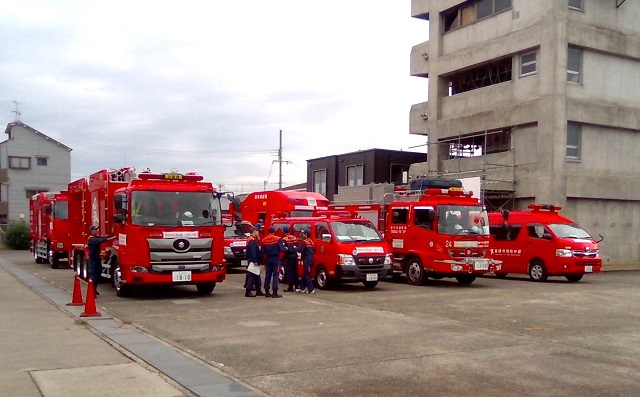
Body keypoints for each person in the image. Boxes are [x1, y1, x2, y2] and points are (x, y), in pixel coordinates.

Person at [87, 225, 115, 296]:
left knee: (99, 274)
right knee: (93, 275)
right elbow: (100, 240)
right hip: (92, 259)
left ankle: (94, 289)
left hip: (97, 259)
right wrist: (110, 239)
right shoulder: (91, 239)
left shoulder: (96, 237)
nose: (97, 231)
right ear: (92, 231)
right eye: (95, 230)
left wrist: (111, 235)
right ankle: (92, 291)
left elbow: (103, 237)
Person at [262, 226, 285, 298]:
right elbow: (282, 249)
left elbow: (262, 252)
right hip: (275, 258)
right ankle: (275, 292)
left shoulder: (264, 240)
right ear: (274, 231)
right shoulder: (278, 239)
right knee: (275, 275)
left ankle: (266, 291)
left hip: (268, 259)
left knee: (268, 275)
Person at [244, 226, 264, 297]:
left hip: (253, 260)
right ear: (254, 231)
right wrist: (255, 261)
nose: (258, 233)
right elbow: (253, 252)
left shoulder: (251, 239)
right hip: (253, 261)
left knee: (256, 276)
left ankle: (258, 290)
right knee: (252, 276)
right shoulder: (252, 241)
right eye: (257, 231)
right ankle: (248, 291)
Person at [296, 228, 315, 294]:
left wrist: (294, 248)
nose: (302, 235)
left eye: (303, 234)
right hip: (311, 259)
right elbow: (314, 250)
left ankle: (311, 289)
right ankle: (302, 288)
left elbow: (299, 249)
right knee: (305, 274)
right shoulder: (311, 242)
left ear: (306, 234)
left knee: (307, 274)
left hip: (307, 260)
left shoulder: (305, 242)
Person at [281, 226, 299, 292]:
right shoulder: (294, 238)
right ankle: (297, 286)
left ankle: (290, 287)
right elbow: (297, 245)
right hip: (295, 256)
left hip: (289, 257)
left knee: (289, 272)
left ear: (284, 231)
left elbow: (284, 249)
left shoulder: (284, 239)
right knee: (295, 271)